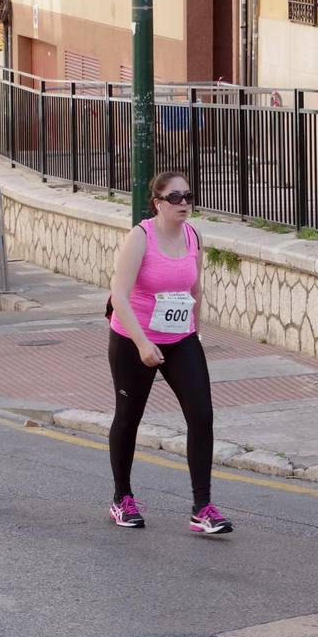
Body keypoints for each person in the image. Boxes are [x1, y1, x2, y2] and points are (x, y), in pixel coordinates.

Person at [106, 171, 230, 535]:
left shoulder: (194, 236)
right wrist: (143, 343)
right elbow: (119, 296)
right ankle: (121, 498)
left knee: (202, 416)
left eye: (188, 196)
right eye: (175, 198)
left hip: (180, 338)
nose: (184, 204)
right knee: (128, 417)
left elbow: (195, 289)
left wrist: (197, 334)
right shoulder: (140, 237)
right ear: (158, 203)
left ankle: (202, 507)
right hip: (134, 338)